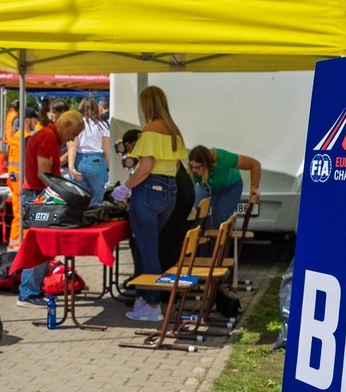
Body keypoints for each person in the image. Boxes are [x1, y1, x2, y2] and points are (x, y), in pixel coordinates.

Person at [111, 87, 188, 322]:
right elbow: (175, 167)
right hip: (169, 192)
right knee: (149, 246)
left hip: (148, 191)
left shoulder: (150, 129)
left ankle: (151, 304)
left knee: (147, 249)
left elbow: (144, 168)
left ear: (146, 105)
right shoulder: (174, 131)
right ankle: (143, 299)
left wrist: (124, 188)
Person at [17, 110, 84, 307]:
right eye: (74, 133)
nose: (72, 138)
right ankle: (28, 292)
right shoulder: (47, 137)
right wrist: (63, 192)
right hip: (38, 195)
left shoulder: (47, 136)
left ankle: (32, 289)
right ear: (68, 124)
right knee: (39, 246)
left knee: (42, 246)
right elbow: (44, 173)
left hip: (37, 194)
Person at [188, 145, 261, 230]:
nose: (194, 170)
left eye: (197, 167)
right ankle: (196, 239)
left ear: (207, 164)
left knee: (219, 220)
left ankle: (218, 240)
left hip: (230, 186)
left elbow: (255, 164)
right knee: (195, 214)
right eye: (191, 166)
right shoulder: (194, 171)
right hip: (208, 186)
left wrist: (254, 187)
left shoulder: (223, 158)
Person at [5, 106, 39, 250]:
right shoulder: (25, 138)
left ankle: (15, 246)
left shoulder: (16, 137)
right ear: (27, 120)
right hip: (21, 183)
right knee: (22, 216)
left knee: (19, 215)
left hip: (15, 180)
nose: (35, 123)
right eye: (34, 120)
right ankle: (16, 248)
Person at [67, 97, 111, 206]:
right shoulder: (103, 124)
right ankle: (95, 219)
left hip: (79, 161)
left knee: (81, 198)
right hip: (97, 161)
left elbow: (72, 146)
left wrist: (71, 167)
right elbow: (107, 149)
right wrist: (108, 167)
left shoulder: (77, 124)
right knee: (97, 200)